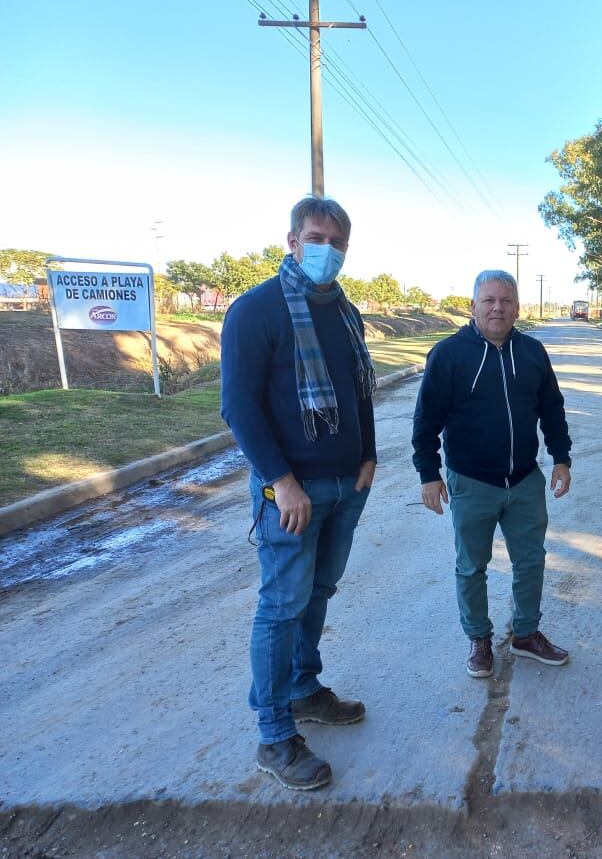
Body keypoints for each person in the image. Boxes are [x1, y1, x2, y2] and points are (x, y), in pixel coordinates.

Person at [220, 196, 378, 791]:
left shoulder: (346, 312)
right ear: (291, 240)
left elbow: (361, 388)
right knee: (282, 605)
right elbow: (238, 406)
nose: (327, 251)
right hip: (291, 493)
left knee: (318, 593)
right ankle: (273, 735)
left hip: (346, 486)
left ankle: (304, 688)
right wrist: (280, 482)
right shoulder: (255, 310)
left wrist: (367, 457)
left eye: (338, 242)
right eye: (317, 238)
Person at [412, 269, 573, 679]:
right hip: (471, 482)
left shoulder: (534, 352)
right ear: (473, 306)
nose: (497, 308)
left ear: (518, 308)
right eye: (489, 300)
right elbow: (426, 420)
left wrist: (561, 458)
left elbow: (552, 409)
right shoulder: (448, 355)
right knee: (471, 566)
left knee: (531, 561)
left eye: (506, 301)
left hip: (524, 480)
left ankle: (525, 634)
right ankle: (479, 640)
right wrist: (429, 473)